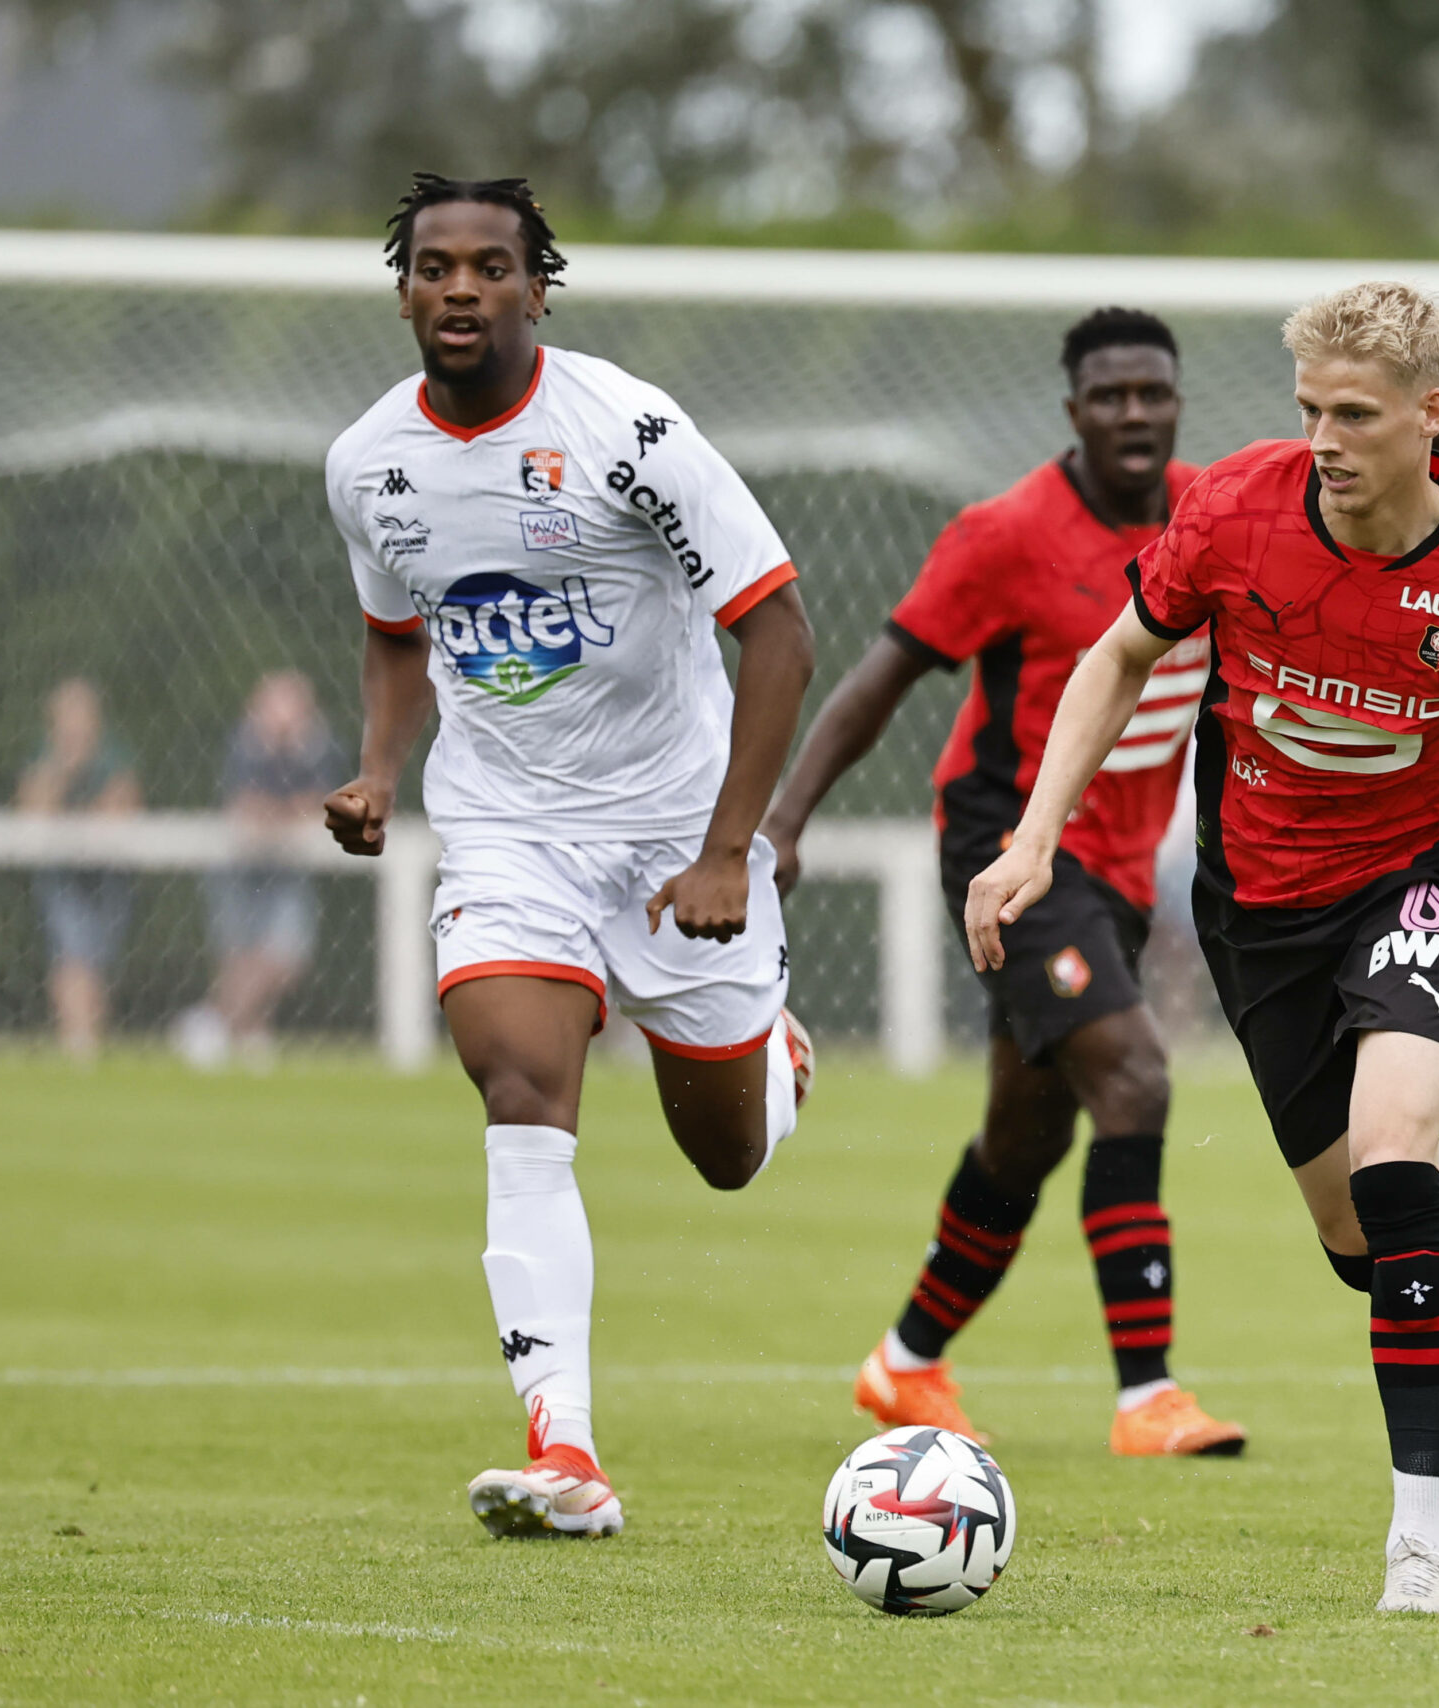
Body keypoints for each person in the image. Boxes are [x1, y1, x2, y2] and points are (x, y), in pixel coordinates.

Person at [966, 281, 1439, 1614]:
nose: (1328, 439)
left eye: (1356, 414)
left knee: (1402, 1167)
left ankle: (1420, 1555)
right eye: (1310, 411)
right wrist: (1033, 838)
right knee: (1368, 1248)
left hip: (1425, 881)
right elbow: (1117, 657)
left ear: (1429, 416)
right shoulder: (1236, 507)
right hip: (1261, 904)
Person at [320, 173, 817, 1539]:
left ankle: (774, 1060)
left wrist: (732, 853)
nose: (462, 287)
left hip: (676, 837)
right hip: (505, 829)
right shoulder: (369, 463)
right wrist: (377, 765)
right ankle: (569, 1456)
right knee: (522, 1087)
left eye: (493, 266)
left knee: (727, 1158)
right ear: (406, 289)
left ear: (540, 288)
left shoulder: (631, 434)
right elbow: (396, 631)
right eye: (435, 267)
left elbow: (777, 630)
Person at [761, 307, 1244, 1458]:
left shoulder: (1213, 515)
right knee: (1132, 1078)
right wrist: (782, 820)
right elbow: (880, 679)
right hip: (1010, 849)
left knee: (1026, 1135)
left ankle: (905, 1361)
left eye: (1153, 393)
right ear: (1071, 410)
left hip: (1121, 867)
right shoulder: (1007, 533)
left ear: (1176, 403)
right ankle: (1148, 1398)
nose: (1134, 412)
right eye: (1110, 395)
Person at [176, 670, 344, 1070]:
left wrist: (281, 813)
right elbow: (246, 805)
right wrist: (286, 813)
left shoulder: (319, 745)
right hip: (240, 865)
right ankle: (248, 1034)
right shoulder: (245, 742)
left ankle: (212, 1024)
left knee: (286, 959)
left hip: (289, 869)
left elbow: (321, 804)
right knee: (240, 956)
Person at [16, 676, 142, 1061]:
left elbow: (124, 809)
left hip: (107, 876)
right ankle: (77, 1041)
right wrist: (62, 769)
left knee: (98, 960)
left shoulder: (112, 756)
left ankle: (88, 1041)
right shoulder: (44, 757)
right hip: (62, 874)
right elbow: (32, 810)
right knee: (71, 953)